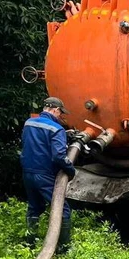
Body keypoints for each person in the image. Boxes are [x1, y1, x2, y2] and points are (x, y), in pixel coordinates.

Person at [21, 96, 76, 250]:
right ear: (55, 110)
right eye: (60, 113)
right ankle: (63, 247)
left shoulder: (29, 123)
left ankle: (30, 243)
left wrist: (65, 134)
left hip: (27, 172)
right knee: (61, 208)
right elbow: (59, 156)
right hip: (44, 174)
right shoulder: (56, 129)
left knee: (34, 206)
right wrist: (70, 171)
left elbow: (33, 142)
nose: (60, 116)